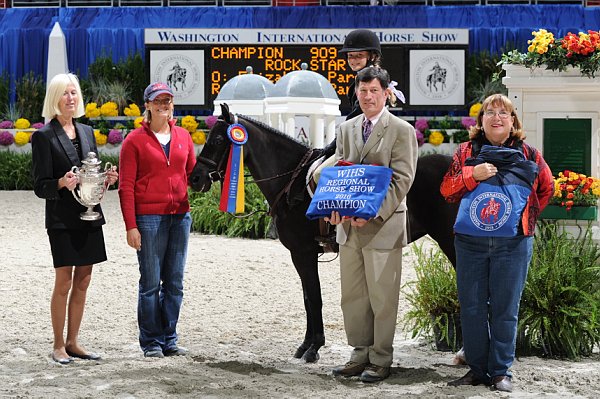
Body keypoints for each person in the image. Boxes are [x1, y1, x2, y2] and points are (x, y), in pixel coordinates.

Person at [441, 94, 553, 392]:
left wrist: (524, 216)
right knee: (472, 307)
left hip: (513, 244)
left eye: (504, 113)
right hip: (470, 243)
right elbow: (447, 190)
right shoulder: (465, 152)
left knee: (505, 307)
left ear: (513, 121)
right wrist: (471, 175)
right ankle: (477, 369)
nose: (497, 117)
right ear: (481, 122)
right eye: (490, 112)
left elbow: (546, 188)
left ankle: (501, 371)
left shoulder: (530, 153)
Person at [325, 66, 418, 382]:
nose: (367, 97)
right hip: (348, 227)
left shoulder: (401, 131)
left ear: (385, 93)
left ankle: (381, 358)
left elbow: (403, 179)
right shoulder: (346, 129)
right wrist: (332, 207)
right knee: (352, 296)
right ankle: (359, 352)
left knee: (382, 296)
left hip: (383, 226)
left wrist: (373, 212)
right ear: (356, 93)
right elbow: (339, 174)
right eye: (362, 91)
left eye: (373, 91)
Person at [31, 73, 118, 364]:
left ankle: (74, 342)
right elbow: (40, 185)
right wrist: (60, 182)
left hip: (89, 214)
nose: (71, 98)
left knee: (84, 280)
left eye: (74, 93)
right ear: (54, 98)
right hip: (61, 217)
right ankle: (57, 345)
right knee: (64, 282)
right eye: (65, 93)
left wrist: (107, 180)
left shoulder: (87, 132)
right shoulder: (43, 136)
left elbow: (90, 177)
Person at [118, 82, 196, 358]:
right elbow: (126, 186)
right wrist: (131, 225)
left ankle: (169, 338)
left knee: (175, 283)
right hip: (148, 218)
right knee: (151, 282)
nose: (164, 105)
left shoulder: (184, 137)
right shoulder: (133, 141)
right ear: (148, 105)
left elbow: (192, 174)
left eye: (168, 100)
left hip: (180, 217)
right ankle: (151, 341)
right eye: (158, 101)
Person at [338, 29, 383, 121]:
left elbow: (360, 112)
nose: (354, 60)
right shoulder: (363, 77)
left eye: (359, 55)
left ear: (372, 56)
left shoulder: (372, 79)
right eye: (350, 55)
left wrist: (344, 131)